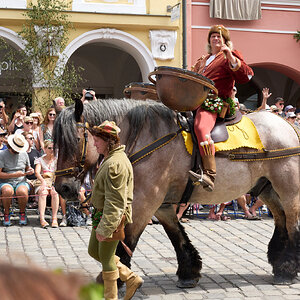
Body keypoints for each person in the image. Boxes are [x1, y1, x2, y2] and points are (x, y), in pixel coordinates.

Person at [189, 25, 254, 191]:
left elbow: (246, 75)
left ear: (225, 41)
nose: (215, 39)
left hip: (214, 103)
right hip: (194, 101)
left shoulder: (228, 56)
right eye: (213, 36)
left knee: (201, 127)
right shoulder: (203, 59)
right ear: (209, 40)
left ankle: (210, 174)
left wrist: (231, 57)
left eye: (219, 37)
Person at [88, 120, 143, 300]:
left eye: (97, 140)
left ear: (108, 141)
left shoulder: (115, 164)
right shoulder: (110, 158)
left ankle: (111, 297)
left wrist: (106, 228)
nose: (94, 143)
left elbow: (115, 202)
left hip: (111, 217)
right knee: (94, 251)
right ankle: (130, 277)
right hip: (101, 214)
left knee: (106, 259)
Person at [0, 134, 34, 226]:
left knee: (22, 191)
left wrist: (30, 170)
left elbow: (27, 168)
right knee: (7, 190)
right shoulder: (2, 154)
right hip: (6, 181)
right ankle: (6, 213)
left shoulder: (24, 154)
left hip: (21, 181)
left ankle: (22, 213)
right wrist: (14, 174)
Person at [34, 140, 59, 228]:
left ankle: (54, 218)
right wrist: (43, 181)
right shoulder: (40, 160)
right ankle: (42, 218)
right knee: (43, 192)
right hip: (42, 181)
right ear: (44, 149)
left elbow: (58, 174)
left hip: (53, 181)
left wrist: (54, 183)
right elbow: (37, 173)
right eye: (49, 148)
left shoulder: (57, 160)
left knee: (55, 192)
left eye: (53, 148)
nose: (52, 150)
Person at [22, 131, 41, 209]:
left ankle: (36, 202)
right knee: (30, 184)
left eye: (33, 138)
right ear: (24, 140)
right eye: (30, 138)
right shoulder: (21, 153)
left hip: (36, 178)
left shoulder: (36, 152)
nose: (32, 140)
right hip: (25, 179)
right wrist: (26, 179)